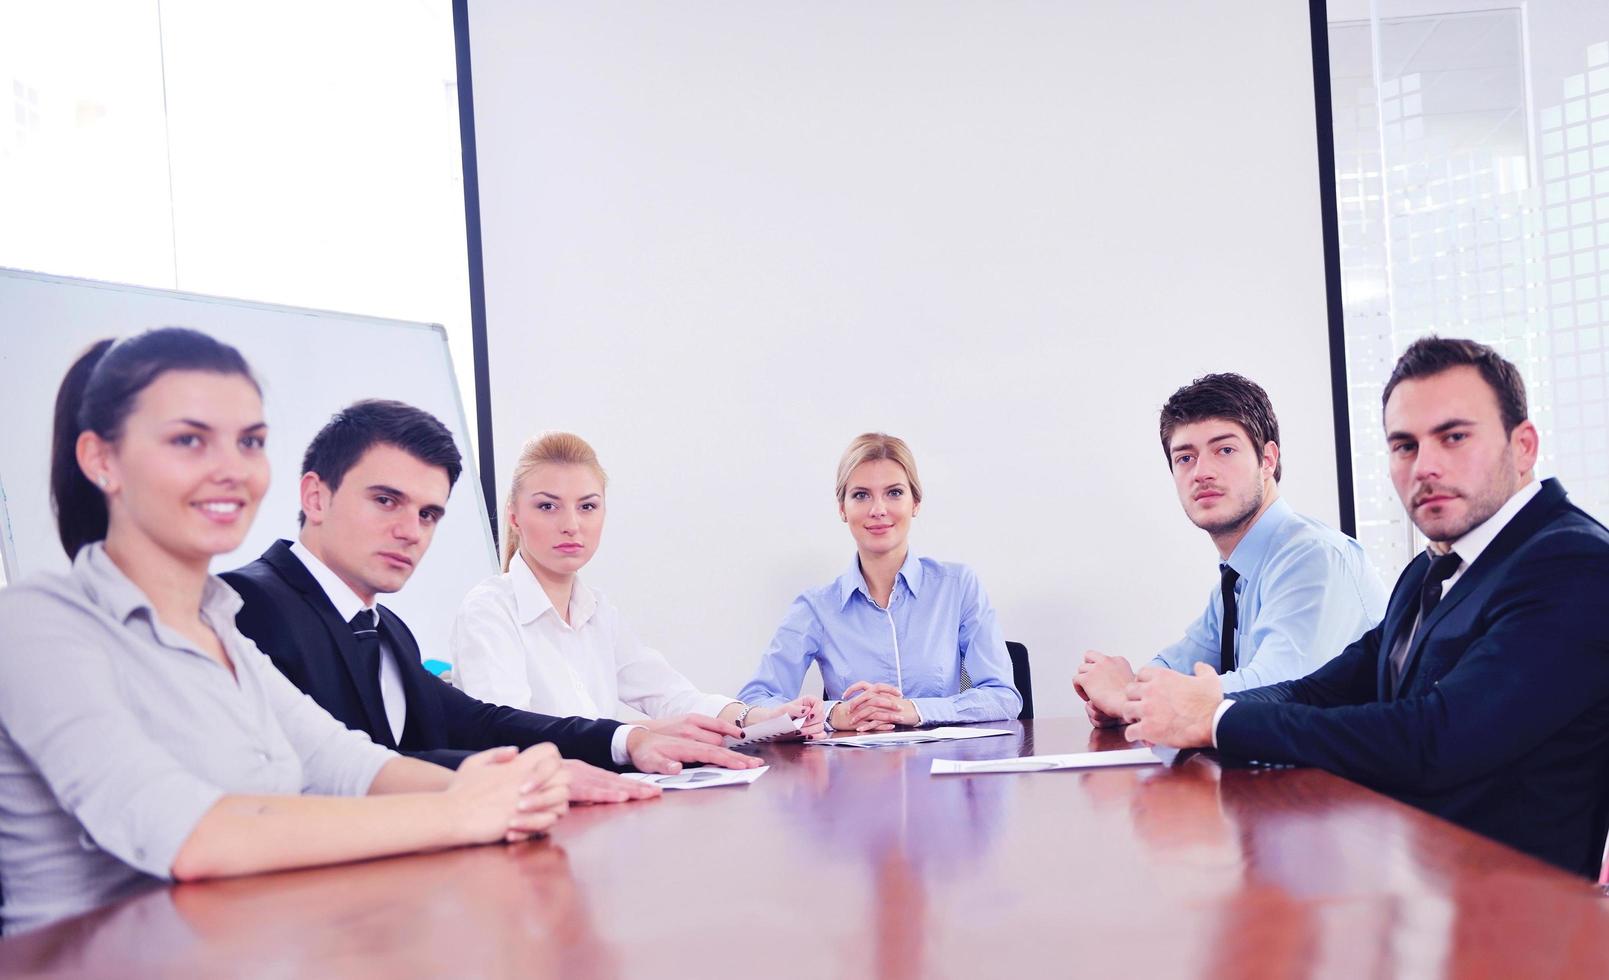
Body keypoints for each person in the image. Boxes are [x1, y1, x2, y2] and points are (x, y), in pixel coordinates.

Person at [0, 329, 569, 934]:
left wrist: (506, 790)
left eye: (250, 442)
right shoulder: (33, 623)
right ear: (101, 460)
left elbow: (347, 764)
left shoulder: (222, 628)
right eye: (190, 439)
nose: (231, 469)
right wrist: (459, 812)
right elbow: (191, 835)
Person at [1122, 337, 1609, 878]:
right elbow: (1323, 689)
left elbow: (1435, 739)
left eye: (1453, 437)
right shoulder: (1430, 570)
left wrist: (1216, 719)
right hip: (1410, 882)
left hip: (1517, 919)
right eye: (1404, 446)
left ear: (1523, 447)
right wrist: (1200, 706)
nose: (1425, 466)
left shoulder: (1575, 563)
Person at [223, 403, 759, 802]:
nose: (410, 531)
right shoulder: (245, 606)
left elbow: (481, 723)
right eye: (386, 500)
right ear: (315, 497)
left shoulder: (385, 630)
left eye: (429, 514)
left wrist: (625, 741)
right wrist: (521, 775)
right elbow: (329, 773)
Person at [450, 432, 824, 740]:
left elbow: (672, 696)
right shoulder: (489, 610)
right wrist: (646, 734)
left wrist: (759, 718)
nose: (571, 524)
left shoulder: (598, 611)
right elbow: (510, 736)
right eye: (548, 507)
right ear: (515, 516)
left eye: (587, 506)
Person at [1075, 373, 1386, 727]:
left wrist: (1127, 698)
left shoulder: (1312, 557)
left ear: (1267, 460)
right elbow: (1180, 664)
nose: (1202, 472)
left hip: (1342, 780)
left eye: (1224, 450)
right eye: (1185, 458)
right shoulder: (1237, 575)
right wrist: (1129, 695)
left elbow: (1272, 689)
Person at [738, 433, 1021, 732]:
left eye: (894, 493)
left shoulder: (958, 586)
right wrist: (834, 713)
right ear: (842, 509)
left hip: (939, 769)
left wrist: (913, 709)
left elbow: (1003, 697)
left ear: (916, 503)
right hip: (855, 772)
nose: (878, 510)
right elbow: (754, 701)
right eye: (861, 495)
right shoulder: (816, 606)